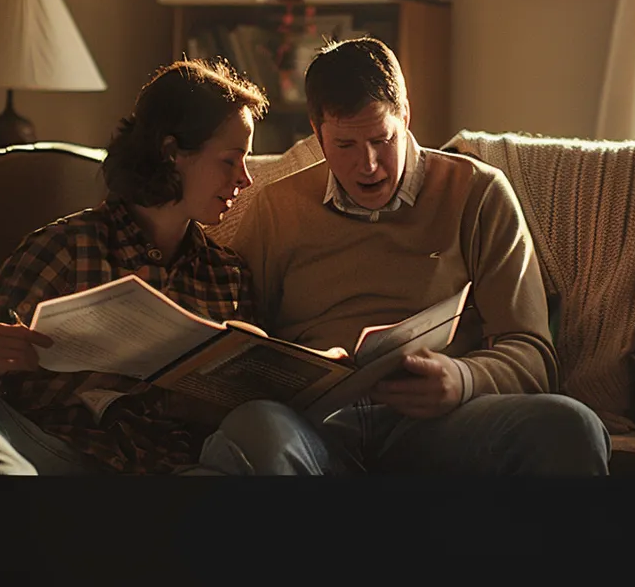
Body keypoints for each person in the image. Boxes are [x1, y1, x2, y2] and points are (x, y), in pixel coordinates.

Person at [207, 37, 611, 475]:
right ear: (317, 131)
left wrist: (463, 380)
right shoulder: (277, 207)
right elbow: (234, 328)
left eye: (383, 139)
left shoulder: (479, 194)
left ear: (406, 116)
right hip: (316, 428)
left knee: (571, 425)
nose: (369, 164)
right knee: (253, 428)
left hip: (440, 426)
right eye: (345, 145)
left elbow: (534, 353)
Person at [0, 58, 267, 475]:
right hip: (52, 450)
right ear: (172, 152)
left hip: (164, 466)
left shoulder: (226, 276)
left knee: (264, 424)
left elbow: (241, 410)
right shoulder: (68, 246)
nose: (245, 178)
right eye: (231, 160)